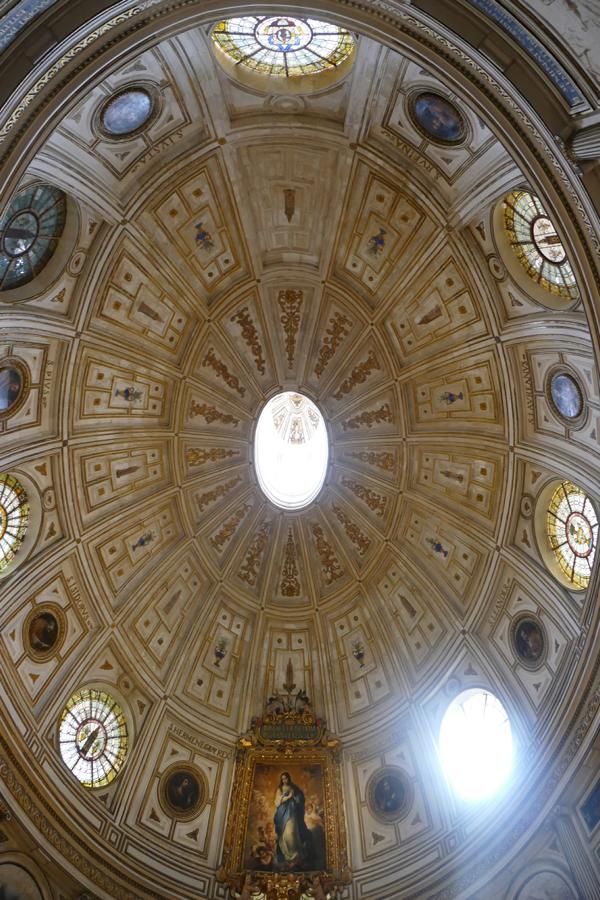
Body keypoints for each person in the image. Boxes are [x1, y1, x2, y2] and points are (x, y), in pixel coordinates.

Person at [273, 771, 312, 868]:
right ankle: (288, 856)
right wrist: (286, 797)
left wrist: (294, 797)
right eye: (282, 779)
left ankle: (296, 854)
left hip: (292, 813)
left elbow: (300, 798)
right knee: (284, 835)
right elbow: (277, 802)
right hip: (282, 813)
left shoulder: (294, 788)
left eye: (285, 778)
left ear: (288, 778)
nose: (284, 780)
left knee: (292, 833)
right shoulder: (279, 789)